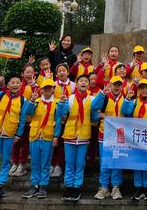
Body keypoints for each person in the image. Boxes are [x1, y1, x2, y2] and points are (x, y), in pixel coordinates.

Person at [0, 75, 29, 199]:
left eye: (17, 83)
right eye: (12, 82)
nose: (14, 84)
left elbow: (22, 120)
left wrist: (18, 135)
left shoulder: (22, 100)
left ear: (20, 86)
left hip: (9, 134)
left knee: (6, 160)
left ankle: (1, 184)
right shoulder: (0, 95)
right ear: (8, 85)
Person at [58, 74, 97, 202]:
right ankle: (68, 186)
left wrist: (102, 95)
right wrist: (61, 103)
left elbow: (96, 113)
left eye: (86, 81)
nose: (84, 83)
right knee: (69, 163)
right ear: (77, 83)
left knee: (80, 163)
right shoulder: (69, 98)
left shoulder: (91, 99)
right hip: (70, 134)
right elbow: (61, 115)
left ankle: (77, 187)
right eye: (81, 81)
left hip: (84, 135)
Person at [22, 78, 61, 200]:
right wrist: (31, 100)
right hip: (35, 136)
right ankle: (34, 185)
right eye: (45, 88)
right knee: (35, 162)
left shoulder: (57, 103)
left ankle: (43, 186)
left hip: (48, 136)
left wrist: (56, 136)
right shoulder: (36, 102)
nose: (47, 90)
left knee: (45, 163)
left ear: (53, 89)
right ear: (42, 90)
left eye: (50, 88)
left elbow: (59, 120)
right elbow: (26, 113)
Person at [121, 78, 147, 201]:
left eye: (146, 88)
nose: (144, 90)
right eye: (141, 88)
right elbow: (125, 111)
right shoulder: (134, 102)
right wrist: (127, 98)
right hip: (136, 137)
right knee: (137, 162)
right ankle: (138, 187)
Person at [91, 76, 125, 200]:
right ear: (110, 85)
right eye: (114, 85)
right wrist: (101, 94)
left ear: (122, 86)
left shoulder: (125, 99)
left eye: (119, 85)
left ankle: (116, 187)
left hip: (119, 136)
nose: (116, 87)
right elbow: (93, 107)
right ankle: (104, 187)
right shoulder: (105, 97)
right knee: (104, 162)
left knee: (117, 162)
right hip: (104, 134)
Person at [10, 63, 38, 178]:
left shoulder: (35, 86)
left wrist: (33, 87)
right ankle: (15, 162)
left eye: (31, 72)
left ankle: (22, 164)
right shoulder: (17, 84)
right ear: (23, 74)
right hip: (14, 119)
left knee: (24, 143)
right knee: (15, 143)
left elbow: (39, 96)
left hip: (27, 120)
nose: (29, 74)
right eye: (27, 72)